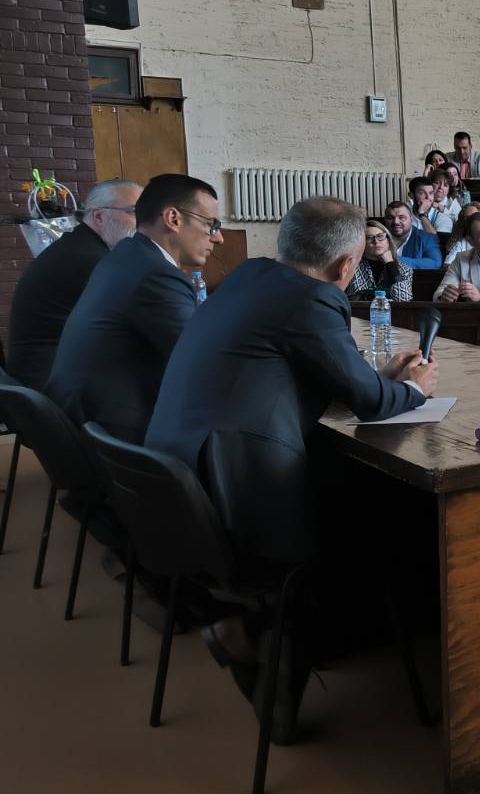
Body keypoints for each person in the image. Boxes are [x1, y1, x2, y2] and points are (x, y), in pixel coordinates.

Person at [144, 197, 437, 739]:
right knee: (384, 516)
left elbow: (307, 367)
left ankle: (243, 630)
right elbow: (369, 403)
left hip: (175, 475)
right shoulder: (314, 298)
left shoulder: (251, 275)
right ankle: (267, 662)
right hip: (234, 489)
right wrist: (413, 389)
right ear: (346, 266)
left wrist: (377, 379)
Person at [46, 174, 221, 444]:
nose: (218, 238)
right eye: (211, 224)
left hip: (81, 421)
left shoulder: (126, 255)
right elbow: (202, 360)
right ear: (173, 219)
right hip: (112, 437)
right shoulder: (156, 274)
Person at [6, 178, 141, 388]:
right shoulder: (87, 259)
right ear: (99, 216)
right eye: (133, 212)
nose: (143, 223)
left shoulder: (80, 247)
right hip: (52, 386)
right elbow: (137, 326)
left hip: (50, 378)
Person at [346, 219, 414, 301]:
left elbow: (403, 299)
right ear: (362, 244)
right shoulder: (352, 267)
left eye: (380, 236)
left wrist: (390, 264)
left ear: (388, 241)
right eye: (369, 238)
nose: (376, 241)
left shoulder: (404, 269)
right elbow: (349, 298)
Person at [386, 200, 442, 269]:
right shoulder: (378, 238)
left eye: (402, 218)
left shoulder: (428, 238)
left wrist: (395, 260)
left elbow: (435, 263)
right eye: (390, 218)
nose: (396, 222)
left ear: (411, 219)